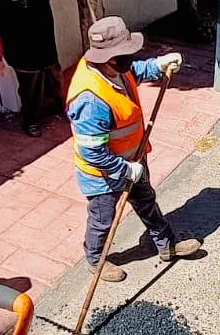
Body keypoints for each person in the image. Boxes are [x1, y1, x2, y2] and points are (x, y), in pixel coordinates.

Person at [67, 16, 201, 282]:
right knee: (102, 219)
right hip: (103, 173)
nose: (129, 59)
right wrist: (126, 170)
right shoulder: (90, 100)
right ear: (106, 58)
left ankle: (166, 244)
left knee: (146, 200)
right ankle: (95, 260)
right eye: (124, 56)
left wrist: (157, 66)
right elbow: (91, 153)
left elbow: (133, 72)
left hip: (134, 158)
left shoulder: (113, 68)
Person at [0, 0, 92, 137]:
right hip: (22, 56)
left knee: (57, 81)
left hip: (46, 48)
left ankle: (63, 108)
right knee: (30, 92)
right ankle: (31, 122)